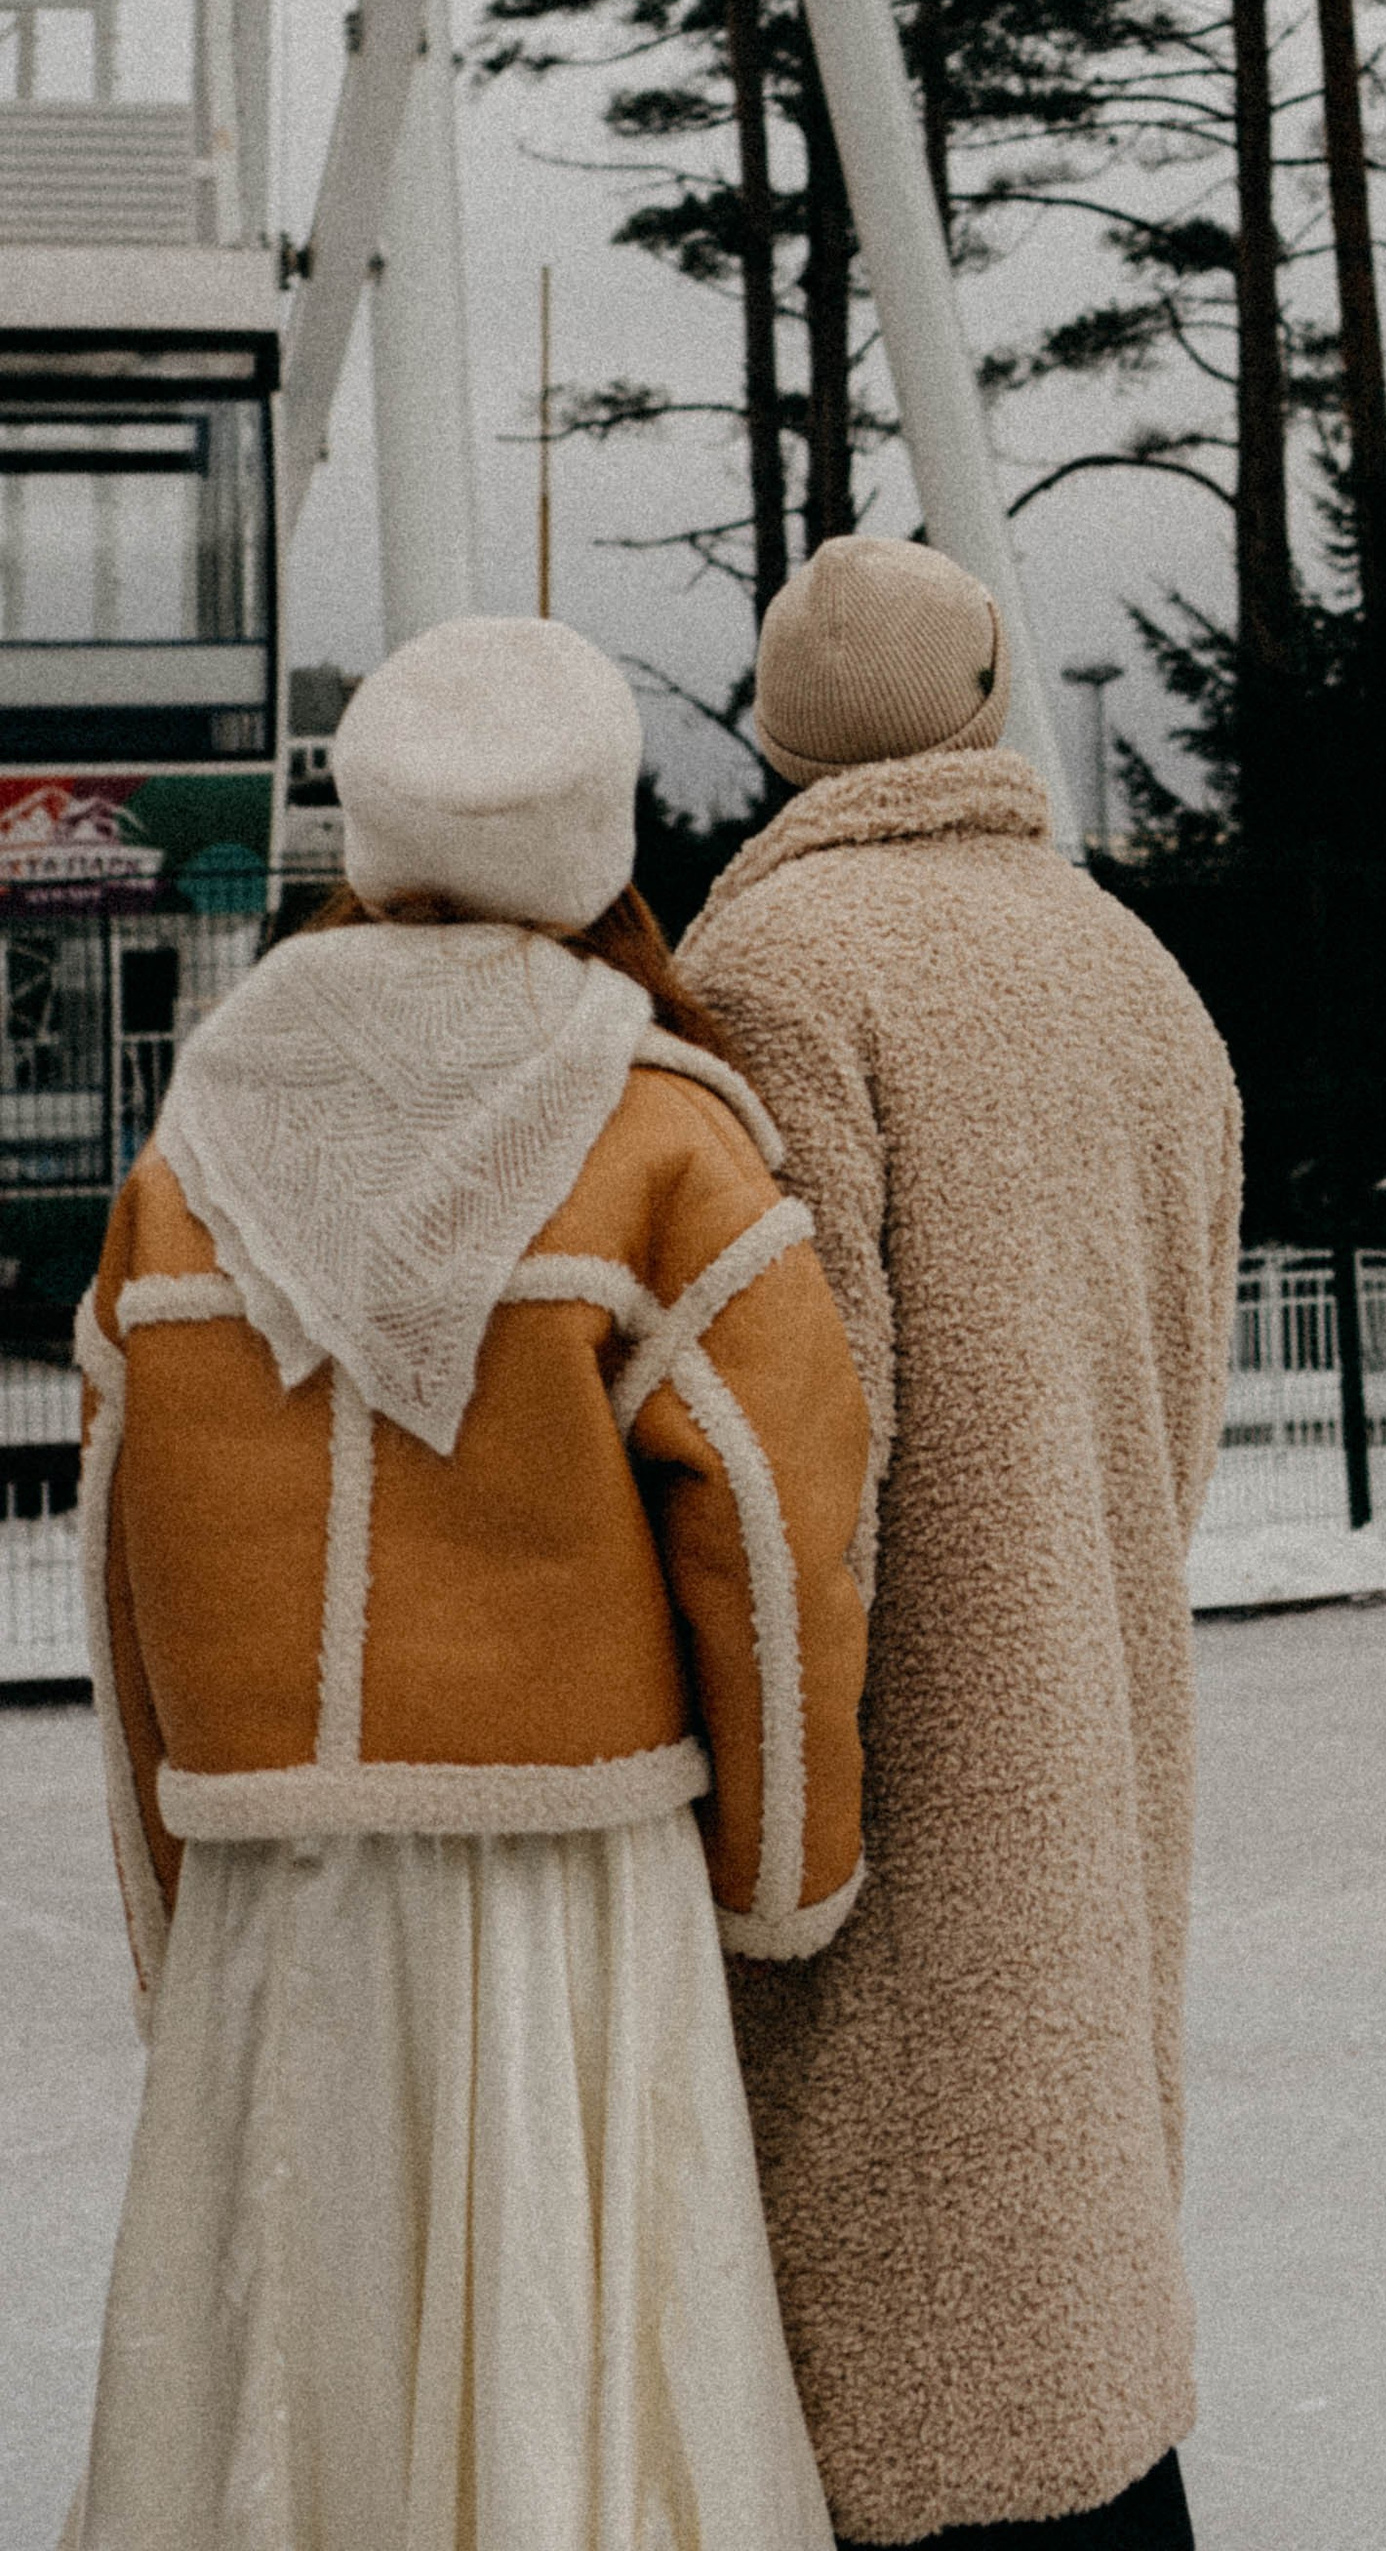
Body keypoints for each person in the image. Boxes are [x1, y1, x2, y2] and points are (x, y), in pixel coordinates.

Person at [67, 613, 871, 2551]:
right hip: (567, 1893)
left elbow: (113, 1548)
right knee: (572, 2365)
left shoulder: (198, 1137)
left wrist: (188, 1896)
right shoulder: (664, 1132)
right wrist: (781, 1878)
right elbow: (779, 1535)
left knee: (272, 2383)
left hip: (281, 1891)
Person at [680, 536, 1241, 2551]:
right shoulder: (1134, 972)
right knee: (1067, 2287)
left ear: (772, 740)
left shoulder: (772, 979)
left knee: (905, 2351)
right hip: (1095, 1701)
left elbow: (806, 1453)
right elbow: (1182, 1379)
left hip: (900, 1764)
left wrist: (763, 1834)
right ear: (992, 696)